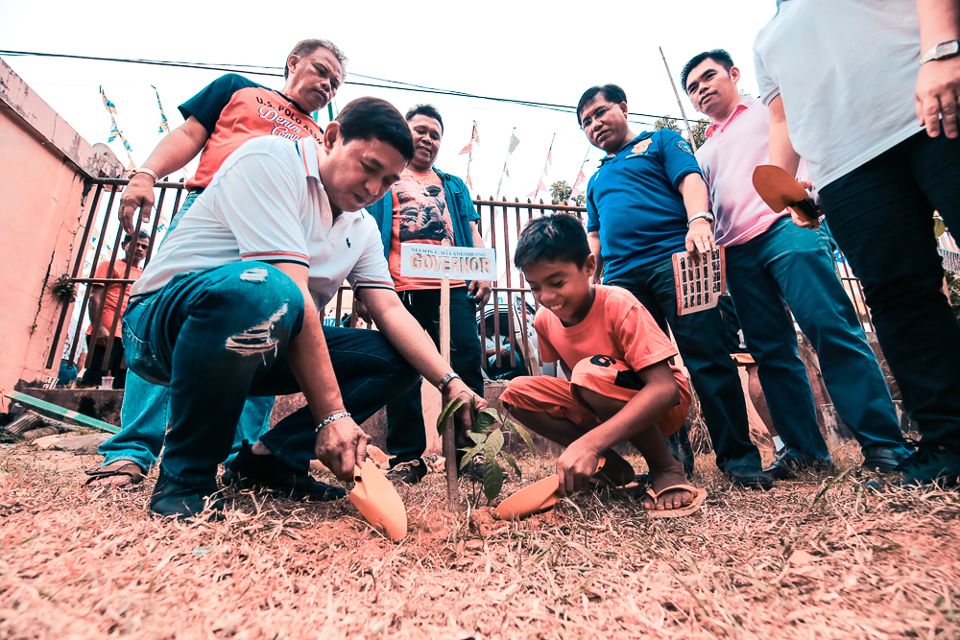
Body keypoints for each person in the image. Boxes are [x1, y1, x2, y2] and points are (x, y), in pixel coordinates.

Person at [124, 97, 486, 518]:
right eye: (368, 167)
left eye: (387, 181)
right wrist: (331, 415)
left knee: (399, 360)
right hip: (158, 329)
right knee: (265, 289)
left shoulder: (362, 226)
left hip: (261, 338)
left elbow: (389, 309)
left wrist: (449, 381)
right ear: (332, 137)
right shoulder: (271, 161)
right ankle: (186, 478)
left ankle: (269, 460)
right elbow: (291, 291)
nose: (373, 189)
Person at [87, 39, 345, 490]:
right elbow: (189, 135)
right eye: (321, 70)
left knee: (269, 331)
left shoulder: (322, 137)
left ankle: (238, 455)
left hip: (278, 228)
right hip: (209, 215)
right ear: (293, 62)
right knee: (172, 317)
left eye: (336, 82)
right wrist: (146, 174)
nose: (327, 84)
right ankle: (130, 452)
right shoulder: (239, 90)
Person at [754, 0, 960, 486]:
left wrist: (943, 53)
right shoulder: (766, 39)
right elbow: (783, 119)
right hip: (844, 170)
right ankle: (948, 442)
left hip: (930, 109)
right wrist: (783, 185)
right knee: (897, 297)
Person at [682, 48, 912, 478]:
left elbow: (813, 148)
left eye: (708, 77)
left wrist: (813, 195)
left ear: (733, 74)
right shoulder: (704, 152)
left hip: (788, 227)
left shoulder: (771, 113)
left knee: (829, 326)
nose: (702, 90)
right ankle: (805, 452)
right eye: (693, 88)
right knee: (771, 352)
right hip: (739, 253)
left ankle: (884, 445)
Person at [576, 84, 772, 489]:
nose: (594, 125)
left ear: (623, 108)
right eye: (586, 123)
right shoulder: (596, 179)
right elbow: (594, 234)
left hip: (679, 261)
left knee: (708, 357)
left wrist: (698, 220)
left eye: (599, 113)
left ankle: (739, 460)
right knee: (644, 374)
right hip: (623, 281)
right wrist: (590, 269)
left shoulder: (661, 141)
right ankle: (672, 462)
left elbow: (691, 181)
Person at [500, 215, 703, 514]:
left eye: (557, 282)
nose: (546, 297)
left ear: (589, 267)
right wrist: (593, 443)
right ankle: (610, 467)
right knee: (516, 392)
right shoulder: (544, 320)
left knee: (588, 374)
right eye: (535, 287)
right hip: (598, 393)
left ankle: (666, 466)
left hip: (662, 404)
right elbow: (573, 387)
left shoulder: (619, 303)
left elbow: (665, 389)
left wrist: (588, 443)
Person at [361, 105, 490, 484]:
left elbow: (470, 227)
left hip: (454, 290)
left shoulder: (453, 185)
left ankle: (473, 453)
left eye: (435, 134)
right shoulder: (387, 179)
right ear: (404, 132)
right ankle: (406, 457)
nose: (427, 139)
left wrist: (482, 269)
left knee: (467, 363)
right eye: (420, 131)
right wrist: (364, 288)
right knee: (402, 371)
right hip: (399, 291)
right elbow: (366, 229)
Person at [80, 231, 149, 389]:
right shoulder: (110, 265)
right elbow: (94, 297)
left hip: (128, 336)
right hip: (105, 333)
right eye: (136, 244)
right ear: (125, 245)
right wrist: (98, 328)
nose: (139, 248)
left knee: (120, 385)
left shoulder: (144, 275)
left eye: (144, 246)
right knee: (94, 380)